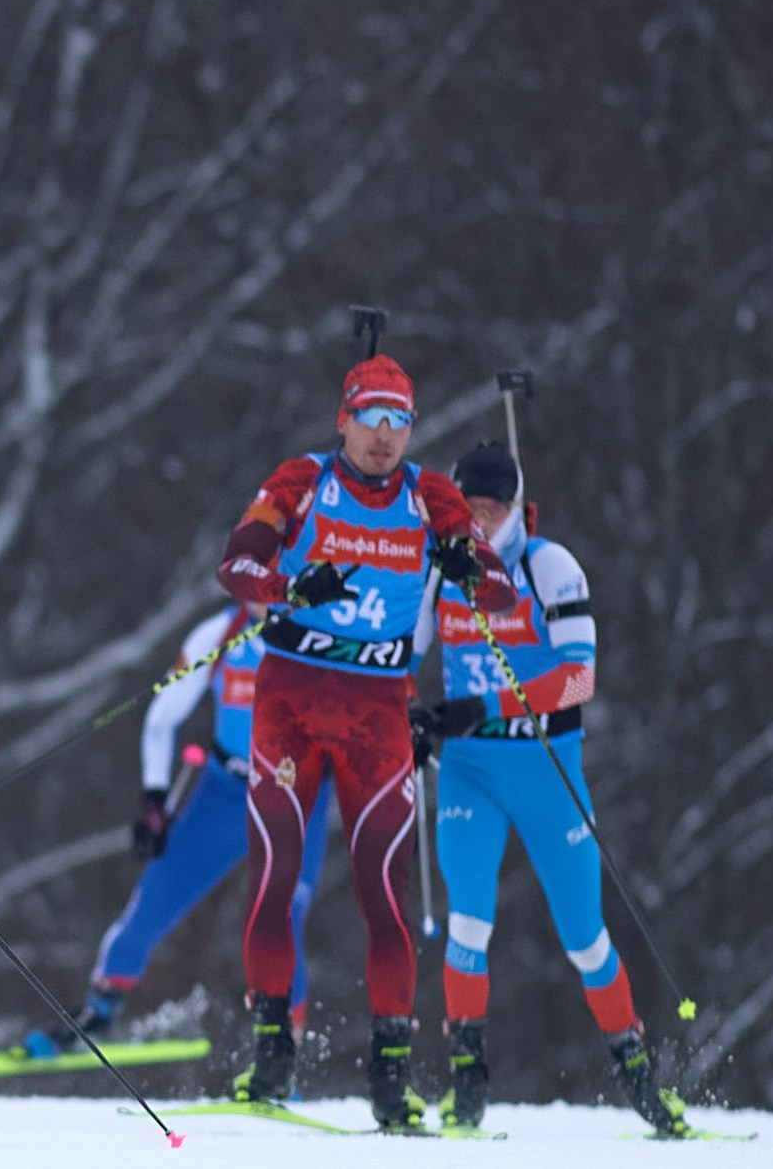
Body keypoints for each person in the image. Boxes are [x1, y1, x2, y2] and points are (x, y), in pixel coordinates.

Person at [212, 353, 516, 1130]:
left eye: (399, 421)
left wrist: (463, 560)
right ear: (343, 417)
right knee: (274, 877)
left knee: (386, 893)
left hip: (377, 709)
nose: (384, 436)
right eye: (371, 417)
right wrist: (289, 586)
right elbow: (236, 563)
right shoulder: (302, 480)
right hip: (289, 699)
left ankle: (389, 1069)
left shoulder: (429, 493)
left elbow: (497, 585)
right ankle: (273, 1046)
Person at [422, 440, 690, 1137]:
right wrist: (410, 721)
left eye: (493, 507)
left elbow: (579, 677)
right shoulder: (438, 568)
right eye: (468, 508)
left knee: (585, 938)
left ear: (515, 507)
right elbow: (400, 656)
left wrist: (486, 706)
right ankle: (466, 1079)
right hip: (471, 771)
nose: (480, 521)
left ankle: (637, 1072)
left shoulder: (551, 567)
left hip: (547, 765)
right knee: (469, 919)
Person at [22, 598, 334, 1059]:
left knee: (282, 916)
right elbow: (162, 718)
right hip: (226, 791)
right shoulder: (221, 635)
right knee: (156, 893)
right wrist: (154, 800)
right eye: (245, 581)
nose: (257, 594)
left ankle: (282, 1051)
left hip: (297, 796)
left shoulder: (321, 632)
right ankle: (98, 1011)